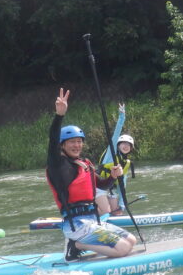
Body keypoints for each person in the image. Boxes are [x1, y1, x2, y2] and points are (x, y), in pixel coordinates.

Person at [47, 88, 136, 261]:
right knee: (124, 248)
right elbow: (52, 140)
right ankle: (76, 245)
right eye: (72, 142)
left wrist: (113, 176)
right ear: (62, 146)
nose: (77, 145)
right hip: (77, 225)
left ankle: (80, 244)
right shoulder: (58, 165)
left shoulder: (84, 164)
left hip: (93, 221)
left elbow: (102, 186)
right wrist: (59, 116)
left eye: (79, 142)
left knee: (131, 240)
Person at [97, 103, 136, 215]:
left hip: (111, 189)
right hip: (99, 186)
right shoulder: (111, 152)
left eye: (128, 145)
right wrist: (122, 117)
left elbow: (122, 185)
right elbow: (116, 133)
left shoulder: (125, 163)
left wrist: (123, 205)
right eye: (123, 143)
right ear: (118, 145)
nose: (125, 146)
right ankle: (93, 216)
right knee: (106, 212)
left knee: (118, 212)